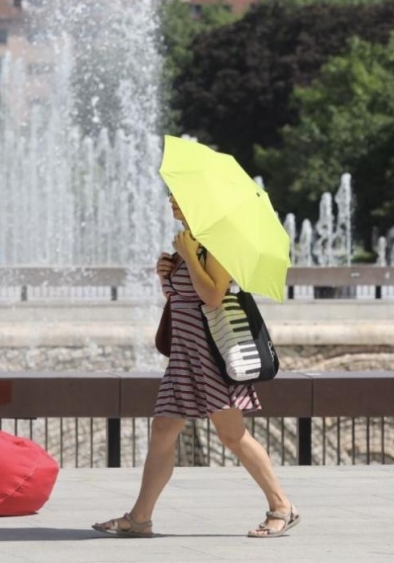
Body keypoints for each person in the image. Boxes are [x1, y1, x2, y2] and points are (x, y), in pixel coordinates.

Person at [92, 193, 300, 539]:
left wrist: (188, 256)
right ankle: (140, 517)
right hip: (184, 356)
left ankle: (282, 506)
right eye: (171, 195)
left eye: (180, 197)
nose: (171, 200)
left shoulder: (216, 244)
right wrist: (166, 273)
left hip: (211, 357)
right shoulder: (189, 242)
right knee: (163, 429)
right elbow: (183, 298)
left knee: (232, 435)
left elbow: (214, 297)